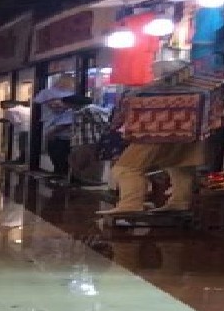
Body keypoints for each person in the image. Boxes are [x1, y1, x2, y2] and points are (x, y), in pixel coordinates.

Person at [99, 61, 204, 217]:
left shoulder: (153, 89)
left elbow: (129, 106)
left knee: (126, 168)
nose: (152, 73)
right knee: (179, 167)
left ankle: (131, 204)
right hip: (188, 134)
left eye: (154, 70)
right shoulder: (196, 88)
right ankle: (180, 202)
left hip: (152, 133)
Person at [61, 95, 111, 187]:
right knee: (77, 161)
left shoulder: (90, 110)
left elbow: (104, 124)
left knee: (87, 162)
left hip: (89, 140)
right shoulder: (80, 111)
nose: (66, 106)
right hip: (81, 141)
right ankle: (81, 181)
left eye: (66, 104)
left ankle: (90, 181)